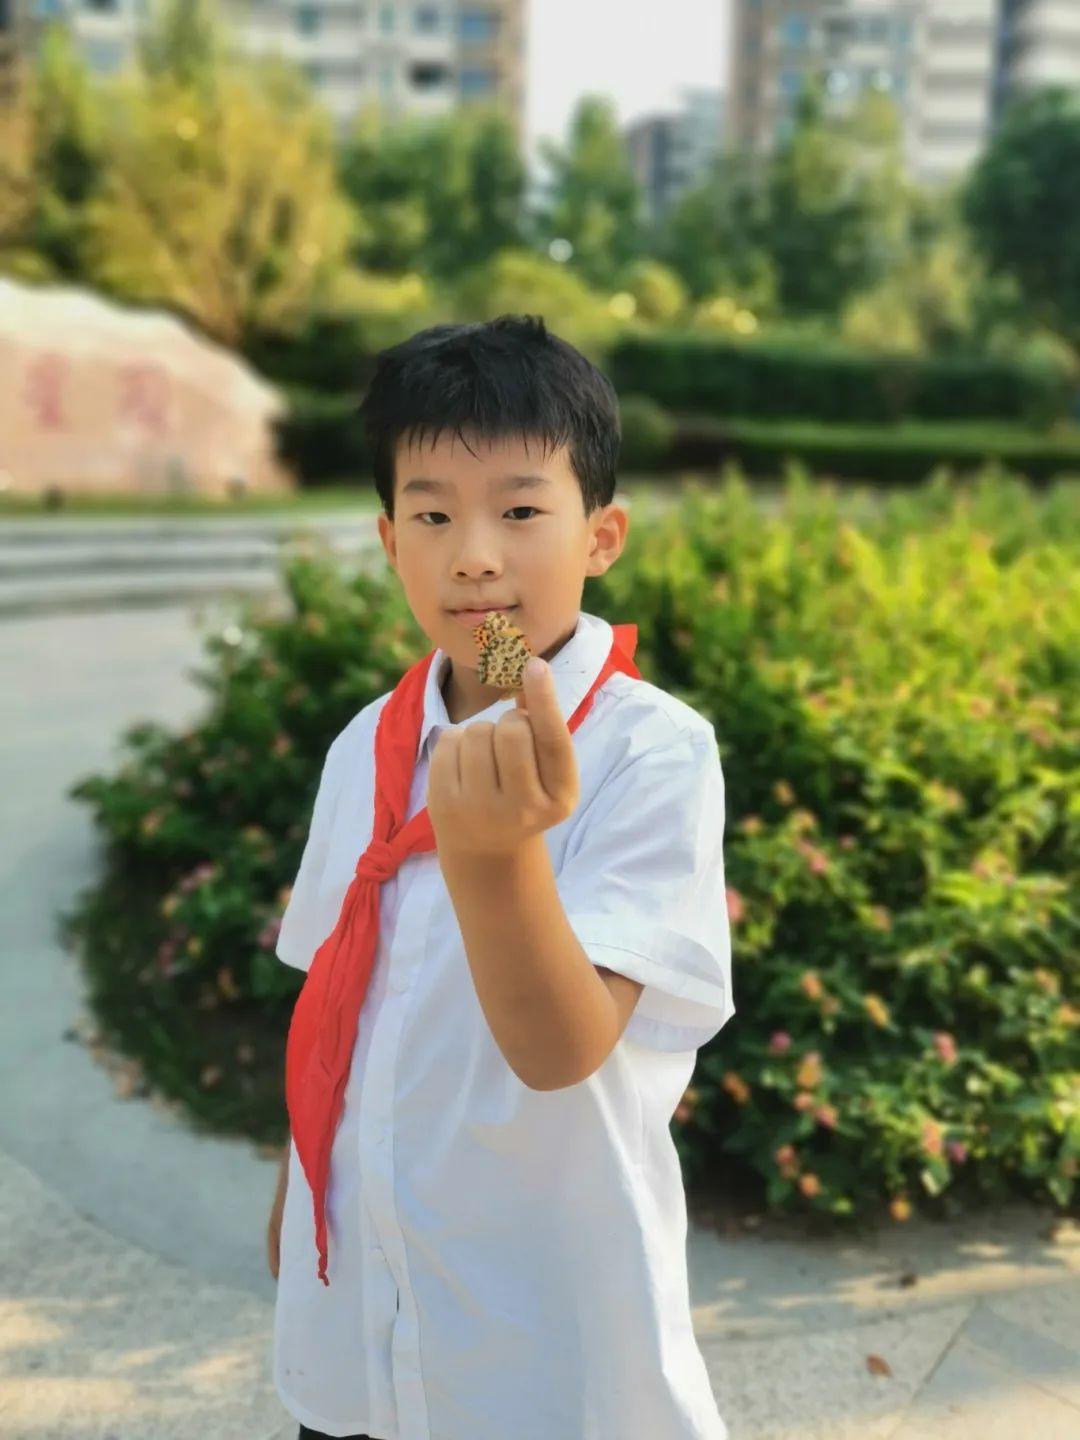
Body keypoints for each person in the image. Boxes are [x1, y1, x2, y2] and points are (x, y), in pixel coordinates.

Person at [266, 314, 736, 1440]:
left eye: (521, 511)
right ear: (390, 541)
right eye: (433, 515)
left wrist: (495, 855)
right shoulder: (367, 746)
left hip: (539, 1322)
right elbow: (337, 989)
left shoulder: (648, 751)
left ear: (602, 536)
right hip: (359, 1305)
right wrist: (300, 1187)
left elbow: (563, 1049)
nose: (473, 555)